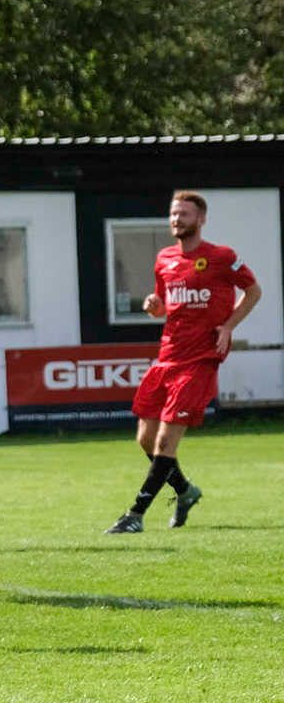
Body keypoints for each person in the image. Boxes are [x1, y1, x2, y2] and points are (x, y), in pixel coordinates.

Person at [105, 191, 262, 533]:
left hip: (200, 360)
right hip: (167, 357)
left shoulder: (221, 257)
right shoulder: (164, 258)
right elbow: (164, 305)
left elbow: (253, 291)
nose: (177, 219)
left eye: (184, 214)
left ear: (201, 219)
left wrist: (228, 326)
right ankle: (185, 490)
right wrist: (154, 307)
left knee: (165, 443)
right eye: (174, 214)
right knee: (145, 439)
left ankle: (135, 516)